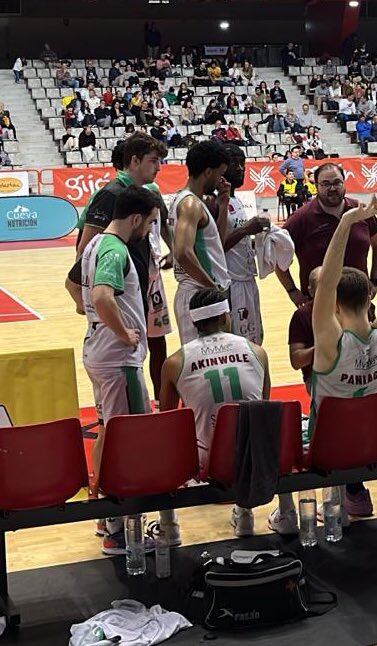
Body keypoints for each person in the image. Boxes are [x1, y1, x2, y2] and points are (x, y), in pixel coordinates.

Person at [270, 193, 377, 531]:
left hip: (330, 449)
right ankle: (346, 497)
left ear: (331, 303)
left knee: (277, 427)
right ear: (369, 297)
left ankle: (290, 513)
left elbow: (326, 284)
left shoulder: (331, 344)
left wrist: (346, 222)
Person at [80, 186, 161, 553]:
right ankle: (119, 530)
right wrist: (124, 333)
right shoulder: (114, 248)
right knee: (130, 439)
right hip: (117, 358)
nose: (149, 230)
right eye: (150, 223)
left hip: (99, 352)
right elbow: (100, 296)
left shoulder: (94, 245)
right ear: (135, 218)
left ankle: (106, 516)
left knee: (109, 431)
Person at [159, 288, 270, 538]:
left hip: (206, 463)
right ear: (224, 318)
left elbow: (167, 421)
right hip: (254, 459)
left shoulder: (175, 362)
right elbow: (264, 409)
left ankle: (169, 527)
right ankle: (249, 515)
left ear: (194, 322)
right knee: (254, 426)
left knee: (162, 438)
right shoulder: (257, 352)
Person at [70, 133, 172, 403]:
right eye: (153, 161)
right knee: (126, 357)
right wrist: (86, 299)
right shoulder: (110, 194)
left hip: (145, 282)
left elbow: (164, 229)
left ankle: (162, 401)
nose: (159, 167)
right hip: (120, 291)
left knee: (156, 340)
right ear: (135, 161)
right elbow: (85, 250)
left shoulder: (151, 192)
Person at [275, 163, 377, 305]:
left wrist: (375, 280)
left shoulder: (360, 210)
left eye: (337, 182)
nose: (332, 188)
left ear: (344, 183)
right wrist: (292, 291)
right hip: (320, 303)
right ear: (316, 186)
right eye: (326, 184)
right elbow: (278, 258)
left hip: (359, 302)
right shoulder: (301, 218)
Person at [169, 140, 232, 344]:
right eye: (219, 173)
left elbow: (217, 248)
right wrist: (212, 287)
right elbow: (182, 252)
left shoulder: (193, 201)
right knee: (200, 367)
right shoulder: (190, 204)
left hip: (203, 292)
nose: (221, 179)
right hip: (198, 294)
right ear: (207, 172)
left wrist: (223, 205)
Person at [222, 143, 270, 345]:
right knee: (239, 343)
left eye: (243, 163)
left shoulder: (237, 200)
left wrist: (260, 243)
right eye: (235, 164)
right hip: (231, 284)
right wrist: (246, 230)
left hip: (248, 280)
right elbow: (217, 246)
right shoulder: (217, 201)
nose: (241, 169)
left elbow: (239, 239)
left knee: (256, 338)